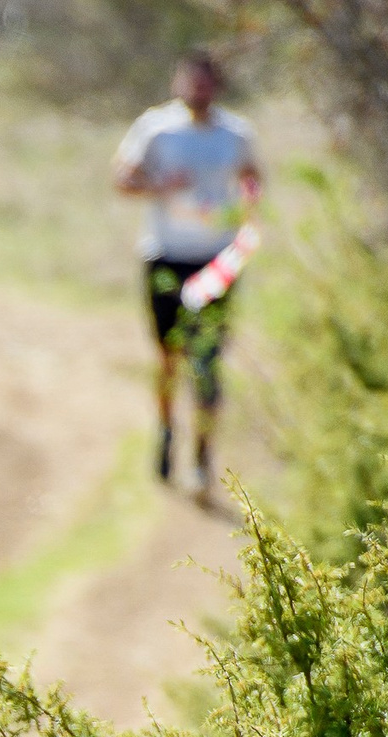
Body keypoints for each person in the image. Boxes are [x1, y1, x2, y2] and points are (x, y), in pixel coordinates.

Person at [113, 49, 263, 499]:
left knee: (208, 361)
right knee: (168, 357)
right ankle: (165, 431)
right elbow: (122, 179)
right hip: (165, 256)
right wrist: (159, 187)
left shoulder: (236, 134)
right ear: (179, 83)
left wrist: (244, 211)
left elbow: (253, 180)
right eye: (190, 82)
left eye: (205, 83)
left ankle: (202, 457)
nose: (197, 90)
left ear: (216, 86)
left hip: (216, 260)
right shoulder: (155, 129)